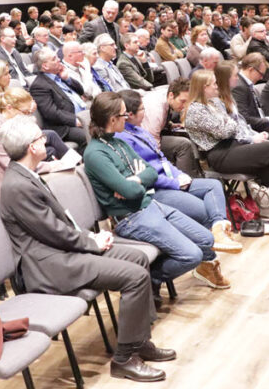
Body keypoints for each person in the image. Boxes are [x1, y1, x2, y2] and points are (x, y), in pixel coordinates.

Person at [0, 116, 173, 382]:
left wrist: (91, 236)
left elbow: (59, 225)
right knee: (134, 277)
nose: (45, 139)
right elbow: (52, 232)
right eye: (39, 138)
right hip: (51, 263)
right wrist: (91, 242)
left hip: (64, 250)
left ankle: (139, 342)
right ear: (31, 148)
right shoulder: (17, 185)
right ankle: (125, 359)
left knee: (137, 257)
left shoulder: (26, 174)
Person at [84, 92, 228, 289]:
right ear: (113, 119)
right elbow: (132, 192)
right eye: (124, 115)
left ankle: (152, 276)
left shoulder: (117, 142)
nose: (127, 119)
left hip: (150, 205)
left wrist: (134, 180)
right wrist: (133, 184)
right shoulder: (96, 154)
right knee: (192, 255)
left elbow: (150, 172)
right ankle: (147, 280)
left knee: (206, 238)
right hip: (130, 218)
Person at [184, 68, 269, 238]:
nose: (217, 87)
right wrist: (231, 123)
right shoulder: (195, 110)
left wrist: (246, 133)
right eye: (213, 84)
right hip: (220, 155)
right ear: (203, 88)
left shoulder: (216, 103)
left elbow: (236, 124)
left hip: (235, 146)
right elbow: (225, 131)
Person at [117, 89, 242, 254]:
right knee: (204, 209)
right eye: (142, 109)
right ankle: (208, 260)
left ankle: (219, 230)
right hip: (157, 189)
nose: (145, 113)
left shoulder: (140, 131)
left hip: (169, 180)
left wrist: (179, 174)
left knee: (213, 185)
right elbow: (148, 175)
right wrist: (175, 183)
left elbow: (161, 158)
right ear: (130, 115)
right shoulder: (124, 139)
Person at [0, 88, 68, 201]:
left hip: (26, 176)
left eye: (29, 113)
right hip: (8, 185)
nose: (26, 116)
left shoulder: (15, 122)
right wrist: (50, 166)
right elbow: (9, 164)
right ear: (9, 108)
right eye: (25, 112)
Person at [30, 47, 88, 148]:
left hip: (81, 115)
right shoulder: (39, 86)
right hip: (64, 126)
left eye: (57, 57)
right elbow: (51, 112)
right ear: (45, 66)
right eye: (54, 59)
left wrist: (67, 78)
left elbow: (81, 91)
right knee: (87, 135)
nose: (59, 60)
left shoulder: (59, 75)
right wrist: (74, 120)